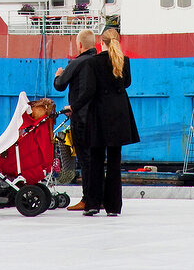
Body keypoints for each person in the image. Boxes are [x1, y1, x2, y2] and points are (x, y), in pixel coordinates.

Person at [69, 27, 140, 217]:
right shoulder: (124, 61)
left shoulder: (94, 62)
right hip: (120, 114)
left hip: (100, 114)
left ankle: (92, 204)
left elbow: (89, 91)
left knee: (96, 159)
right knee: (115, 162)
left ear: (102, 43)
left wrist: (73, 106)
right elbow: (126, 84)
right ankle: (114, 207)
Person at [53, 28, 97, 211]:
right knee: (95, 159)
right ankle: (99, 198)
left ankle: (87, 199)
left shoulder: (77, 63)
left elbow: (60, 86)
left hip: (81, 119)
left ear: (80, 45)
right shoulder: (99, 61)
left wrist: (58, 74)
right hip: (97, 118)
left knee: (85, 160)